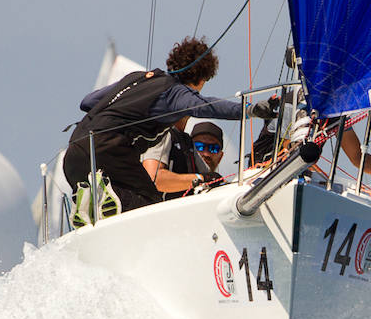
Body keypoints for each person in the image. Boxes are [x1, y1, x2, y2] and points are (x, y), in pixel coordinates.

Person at [63, 37, 278, 215]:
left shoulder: (138, 78)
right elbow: (208, 107)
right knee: (149, 203)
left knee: (113, 193)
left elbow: (87, 102)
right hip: (109, 150)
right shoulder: (175, 93)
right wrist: (249, 110)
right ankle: (103, 205)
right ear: (201, 79)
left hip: (76, 151)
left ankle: (90, 206)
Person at [250, 94, 371, 198]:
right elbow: (291, 154)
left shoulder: (334, 112)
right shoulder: (290, 103)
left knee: (359, 194)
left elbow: (357, 156)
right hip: (263, 173)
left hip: (302, 174)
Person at [140, 120, 226, 201]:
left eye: (213, 148)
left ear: (220, 156)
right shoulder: (163, 133)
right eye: (199, 146)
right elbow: (154, 178)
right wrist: (202, 178)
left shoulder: (186, 141)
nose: (206, 153)